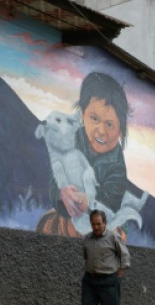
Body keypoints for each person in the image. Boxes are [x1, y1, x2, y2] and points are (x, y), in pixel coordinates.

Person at [39, 72, 133, 239]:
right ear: (82, 114)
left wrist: (88, 202)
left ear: (120, 131)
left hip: (102, 220)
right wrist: (63, 194)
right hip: (70, 213)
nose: (101, 131)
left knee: (109, 237)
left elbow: (112, 199)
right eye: (94, 118)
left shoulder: (116, 163)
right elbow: (56, 178)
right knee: (47, 226)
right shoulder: (72, 137)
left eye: (110, 124)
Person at [81, 209, 129, 305]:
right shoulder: (87, 239)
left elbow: (124, 255)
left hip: (109, 280)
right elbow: (86, 256)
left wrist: (120, 273)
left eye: (98, 224)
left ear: (105, 223)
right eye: (93, 224)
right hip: (90, 280)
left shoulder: (113, 237)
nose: (96, 227)